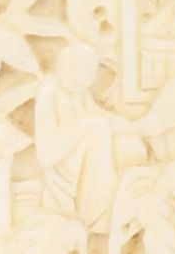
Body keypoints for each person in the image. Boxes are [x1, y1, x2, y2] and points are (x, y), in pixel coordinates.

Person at [35, 44, 127, 229]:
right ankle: (94, 208)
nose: (89, 80)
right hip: (61, 162)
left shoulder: (78, 91)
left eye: (91, 75)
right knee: (97, 127)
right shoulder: (49, 90)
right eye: (86, 74)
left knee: (105, 130)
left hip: (81, 157)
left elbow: (99, 115)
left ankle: (101, 207)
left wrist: (131, 125)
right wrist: (86, 126)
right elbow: (45, 152)